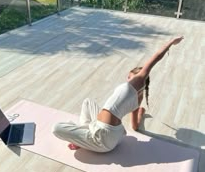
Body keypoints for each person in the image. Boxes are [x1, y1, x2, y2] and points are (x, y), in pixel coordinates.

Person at [52, 36, 184, 152]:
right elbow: (135, 126)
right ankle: (82, 137)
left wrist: (171, 42)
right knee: (88, 102)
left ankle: (82, 138)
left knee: (56, 128)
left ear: (140, 78)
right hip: (114, 133)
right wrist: (140, 113)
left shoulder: (136, 83)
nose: (128, 79)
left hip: (102, 139)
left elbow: (154, 59)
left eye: (130, 77)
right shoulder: (139, 97)